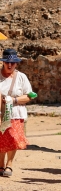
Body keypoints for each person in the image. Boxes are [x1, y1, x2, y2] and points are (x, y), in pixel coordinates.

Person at [0, 48, 33, 177]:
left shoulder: (21, 77)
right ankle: (0, 164)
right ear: (3, 62)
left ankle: (9, 164)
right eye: (7, 62)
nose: (10, 65)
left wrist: (13, 100)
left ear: (16, 63)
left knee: (13, 138)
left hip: (15, 113)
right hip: (1, 114)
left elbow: (30, 95)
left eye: (12, 63)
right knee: (1, 139)